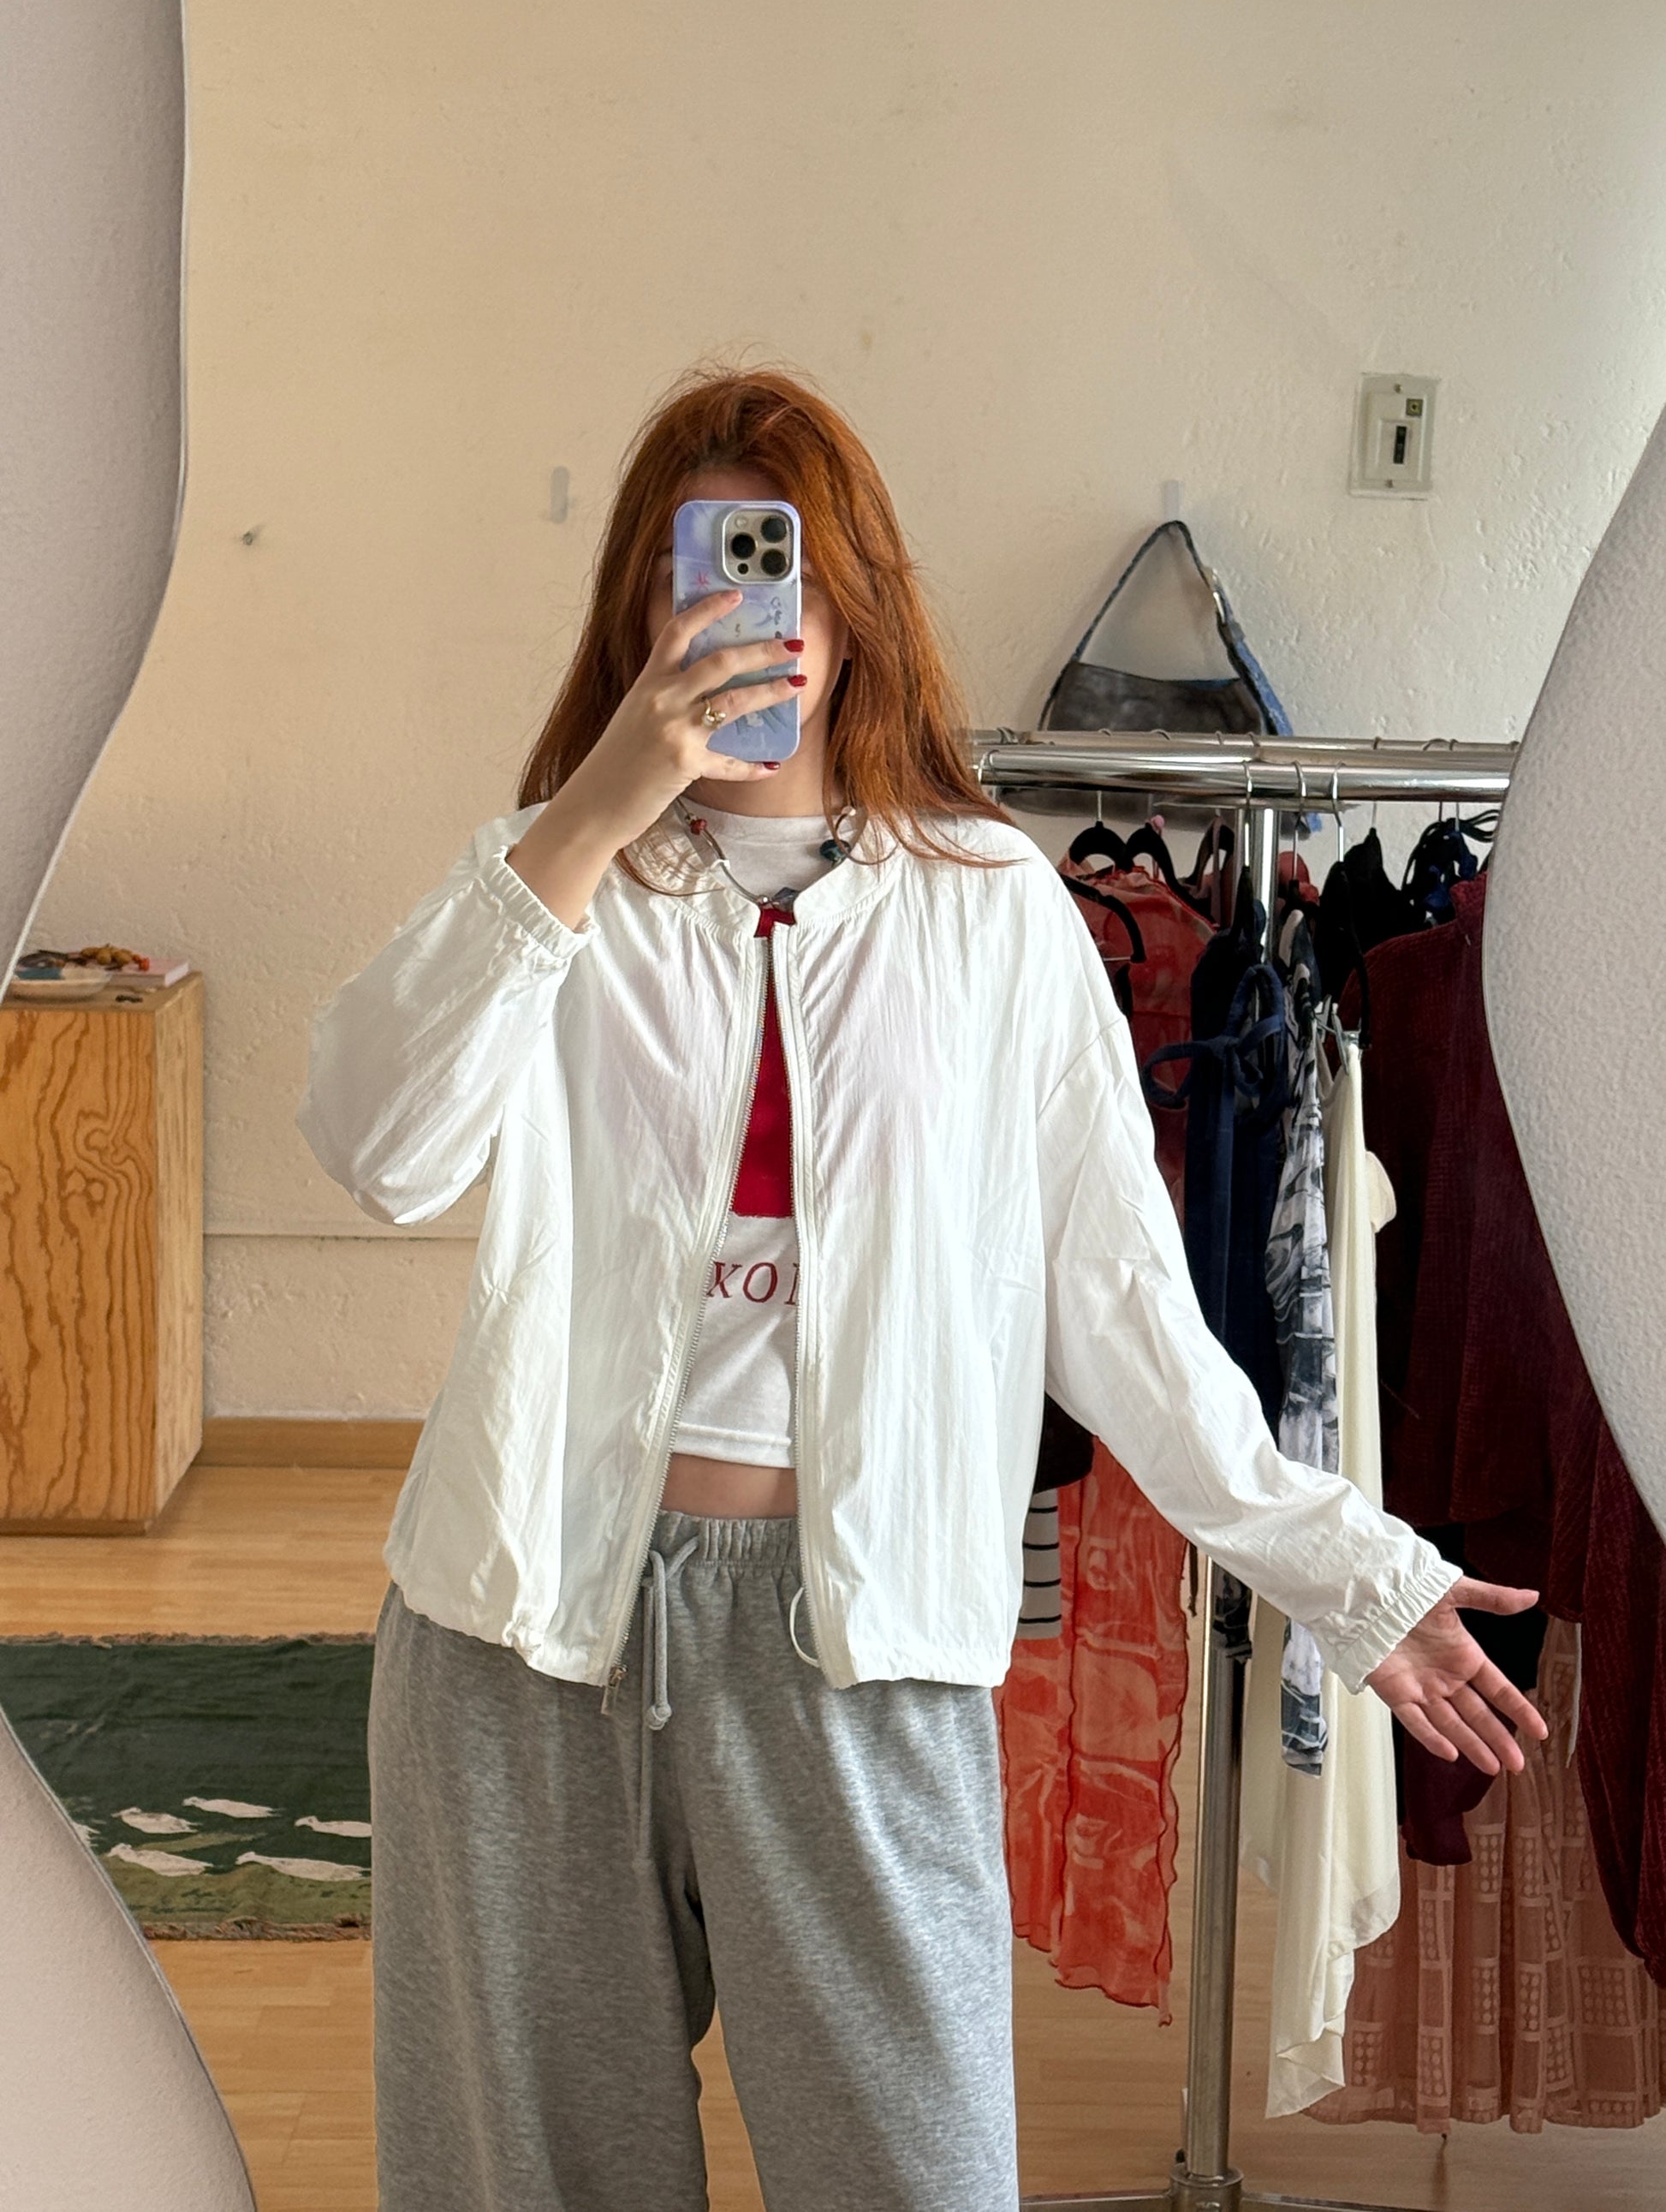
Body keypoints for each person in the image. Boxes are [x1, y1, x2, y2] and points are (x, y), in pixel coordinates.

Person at [295, 365, 1548, 2212]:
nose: (750, 617)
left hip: (855, 1644)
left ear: (857, 607)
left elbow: (1117, 1301)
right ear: (639, 613)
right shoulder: (552, 885)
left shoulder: (991, 908)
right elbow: (377, 1147)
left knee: (914, 2172)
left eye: (785, 570)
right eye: (699, 573)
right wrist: (587, 815)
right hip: (521, 1639)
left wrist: (1343, 1570)